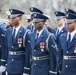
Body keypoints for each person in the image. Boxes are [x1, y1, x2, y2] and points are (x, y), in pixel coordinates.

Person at [0, 9, 31, 75]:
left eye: (14, 18)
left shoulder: (25, 33)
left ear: (20, 18)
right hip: (10, 66)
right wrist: (3, 64)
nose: (11, 20)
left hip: (20, 67)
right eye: (11, 18)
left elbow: (27, 53)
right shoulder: (8, 31)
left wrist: (26, 69)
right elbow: (5, 49)